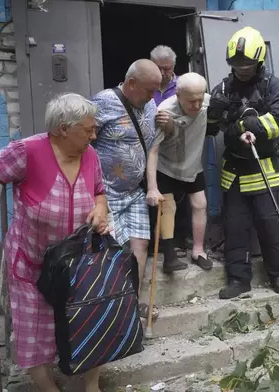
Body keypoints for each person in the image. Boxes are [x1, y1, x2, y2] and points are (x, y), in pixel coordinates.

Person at [0, 93, 108, 392]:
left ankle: (91, 386)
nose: (94, 135)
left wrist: (100, 208)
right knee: (36, 340)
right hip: (33, 266)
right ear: (62, 129)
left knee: (90, 326)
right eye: (88, 129)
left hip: (78, 263)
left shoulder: (90, 154)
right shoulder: (26, 152)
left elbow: (99, 190)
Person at [206, 26, 279, 300]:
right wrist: (214, 112)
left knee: (270, 225)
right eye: (236, 63)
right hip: (235, 172)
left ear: (259, 60)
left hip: (267, 168)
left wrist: (242, 122)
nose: (242, 68)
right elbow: (209, 130)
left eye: (247, 64)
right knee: (235, 227)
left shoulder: (273, 86)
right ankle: (238, 280)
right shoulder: (221, 88)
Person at [90, 59, 163, 319]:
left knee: (140, 244)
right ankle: (112, 306)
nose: (153, 96)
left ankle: (132, 301)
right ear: (131, 84)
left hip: (134, 192)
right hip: (106, 195)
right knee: (114, 249)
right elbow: (85, 142)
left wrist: (152, 187)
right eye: (149, 90)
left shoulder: (150, 104)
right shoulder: (103, 102)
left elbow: (153, 147)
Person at [147, 72, 213, 273]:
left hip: (192, 164)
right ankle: (169, 256)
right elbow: (153, 150)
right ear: (178, 95)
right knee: (168, 207)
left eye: (200, 99)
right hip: (166, 165)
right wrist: (152, 187)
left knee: (200, 204)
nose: (196, 105)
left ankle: (198, 251)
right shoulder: (163, 111)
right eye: (191, 101)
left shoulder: (207, 102)